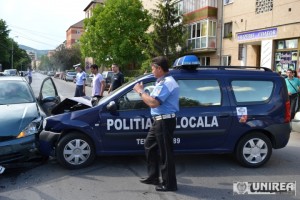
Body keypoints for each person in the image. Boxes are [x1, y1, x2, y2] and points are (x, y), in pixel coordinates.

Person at [133, 56, 179, 192]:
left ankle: (169, 184)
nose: (152, 71)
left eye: (153, 68)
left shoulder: (167, 83)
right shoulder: (162, 82)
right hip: (159, 121)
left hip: (164, 121)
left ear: (159, 68)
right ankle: (153, 176)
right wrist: (144, 92)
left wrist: (140, 91)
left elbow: (153, 102)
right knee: (149, 145)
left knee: (166, 154)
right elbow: (152, 99)